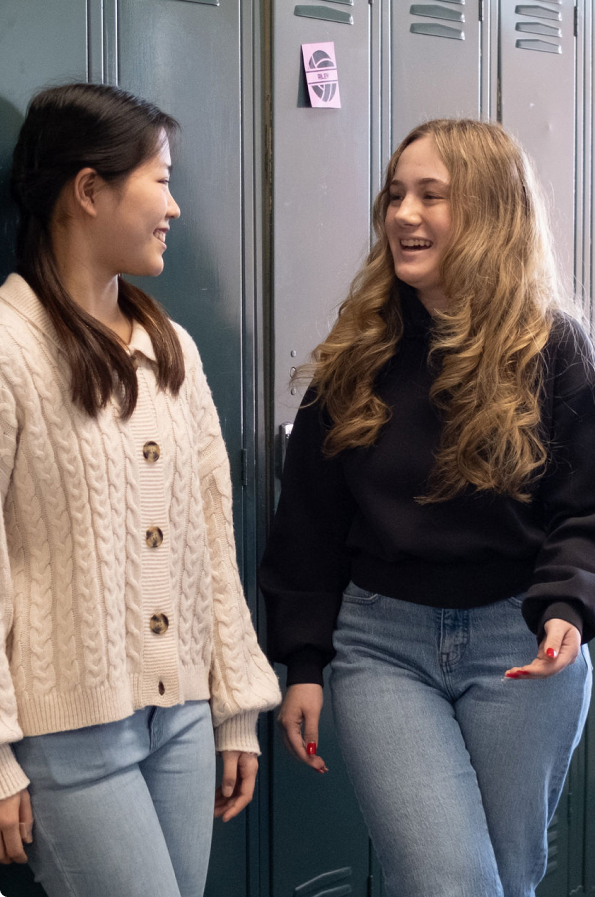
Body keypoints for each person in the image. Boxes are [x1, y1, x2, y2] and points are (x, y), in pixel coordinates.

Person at [259, 119, 594, 897]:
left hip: (519, 645)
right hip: (383, 646)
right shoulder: (356, 356)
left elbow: (582, 510)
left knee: (509, 879)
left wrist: (567, 604)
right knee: (449, 882)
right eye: (395, 195)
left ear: (488, 212)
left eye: (430, 196)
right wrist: (303, 662)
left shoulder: (556, 352)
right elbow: (307, 523)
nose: (403, 213)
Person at [0, 82, 280, 897]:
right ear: (89, 191)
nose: (176, 207)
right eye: (160, 179)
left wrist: (233, 707)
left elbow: (209, 542)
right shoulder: (11, 349)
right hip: (66, 738)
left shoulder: (172, 347)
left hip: (183, 720)